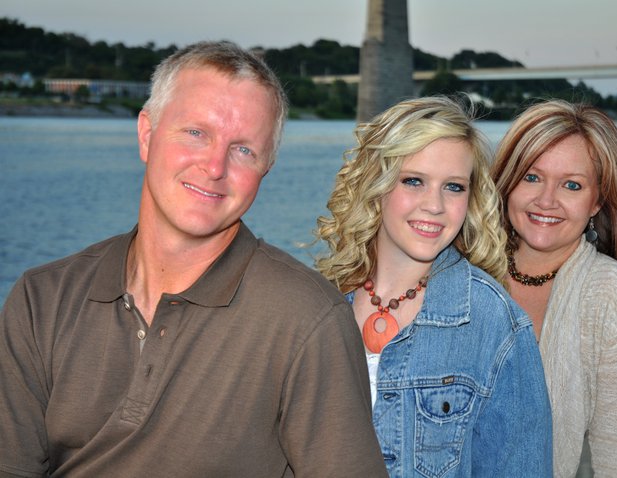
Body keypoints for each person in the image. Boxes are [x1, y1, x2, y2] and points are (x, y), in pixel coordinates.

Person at [0, 41, 387, 477]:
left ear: (266, 168)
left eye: (243, 149)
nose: (215, 166)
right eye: (196, 133)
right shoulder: (43, 300)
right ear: (146, 134)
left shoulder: (307, 319)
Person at [315, 96, 553, 477]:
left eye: (454, 187)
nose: (435, 205)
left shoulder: (495, 325)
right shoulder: (317, 304)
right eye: (414, 181)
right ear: (376, 183)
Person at [490, 99, 617, 477]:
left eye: (572, 185)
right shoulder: (463, 274)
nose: (546, 200)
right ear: (507, 182)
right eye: (531, 177)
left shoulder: (615, 298)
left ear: (596, 201)